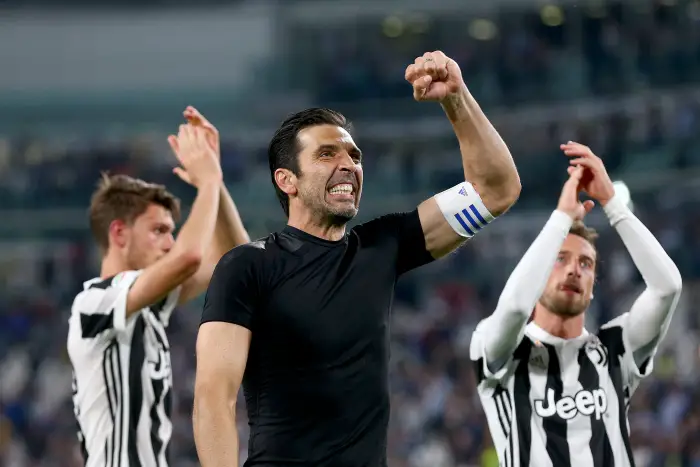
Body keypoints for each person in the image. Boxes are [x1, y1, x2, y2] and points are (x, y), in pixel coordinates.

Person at [192, 50, 522, 467]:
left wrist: (456, 100)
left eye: (354, 156)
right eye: (327, 154)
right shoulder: (247, 266)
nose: (348, 164)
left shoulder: (383, 246)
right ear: (287, 180)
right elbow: (213, 398)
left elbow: (496, 190)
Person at [470, 142, 683, 467]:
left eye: (586, 263)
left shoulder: (615, 349)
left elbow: (667, 288)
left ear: (593, 288)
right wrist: (560, 218)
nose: (574, 270)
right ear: (539, 273)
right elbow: (515, 308)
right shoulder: (499, 348)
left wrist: (612, 204)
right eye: (561, 259)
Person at [67, 107, 249, 467]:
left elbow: (234, 257)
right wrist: (207, 183)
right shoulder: (93, 303)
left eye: (171, 232)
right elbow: (189, 257)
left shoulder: (147, 307)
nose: (170, 243)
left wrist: (215, 181)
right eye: (158, 231)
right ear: (119, 233)